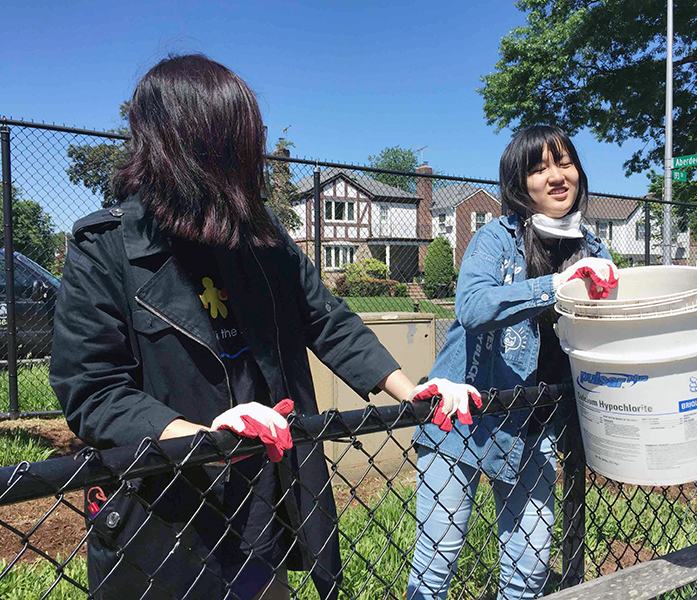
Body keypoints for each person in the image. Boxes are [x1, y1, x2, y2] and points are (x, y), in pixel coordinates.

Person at [50, 54, 433, 600]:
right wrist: (203, 440)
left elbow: (326, 318)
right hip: (171, 508)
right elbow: (93, 390)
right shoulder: (105, 249)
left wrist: (412, 392)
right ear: (186, 147)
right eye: (237, 142)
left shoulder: (262, 237)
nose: (252, 157)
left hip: (266, 496)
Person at [406, 125, 617, 600]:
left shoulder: (595, 249)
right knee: (436, 564)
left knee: (529, 569)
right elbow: (473, 307)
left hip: (534, 425)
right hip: (461, 417)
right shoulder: (495, 239)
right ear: (519, 183)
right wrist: (557, 286)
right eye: (539, 168)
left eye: (564, 163)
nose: (556, 176)